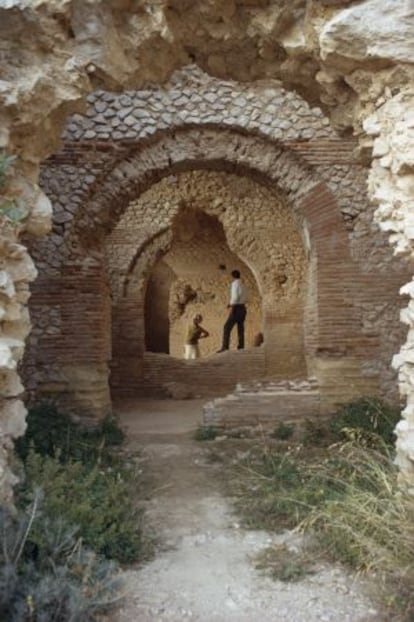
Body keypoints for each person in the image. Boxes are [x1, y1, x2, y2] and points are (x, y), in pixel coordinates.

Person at [217, 269, 247, 352]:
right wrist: (230, 304)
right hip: (243, 308)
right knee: (240, 328)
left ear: (233, 276)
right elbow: (243, 297)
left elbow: (235, 296)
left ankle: (225, 347)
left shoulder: (235, 284)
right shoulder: (243, 284)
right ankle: (241, 346)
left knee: (226, 327)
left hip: (236, 308)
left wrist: (232, 307)